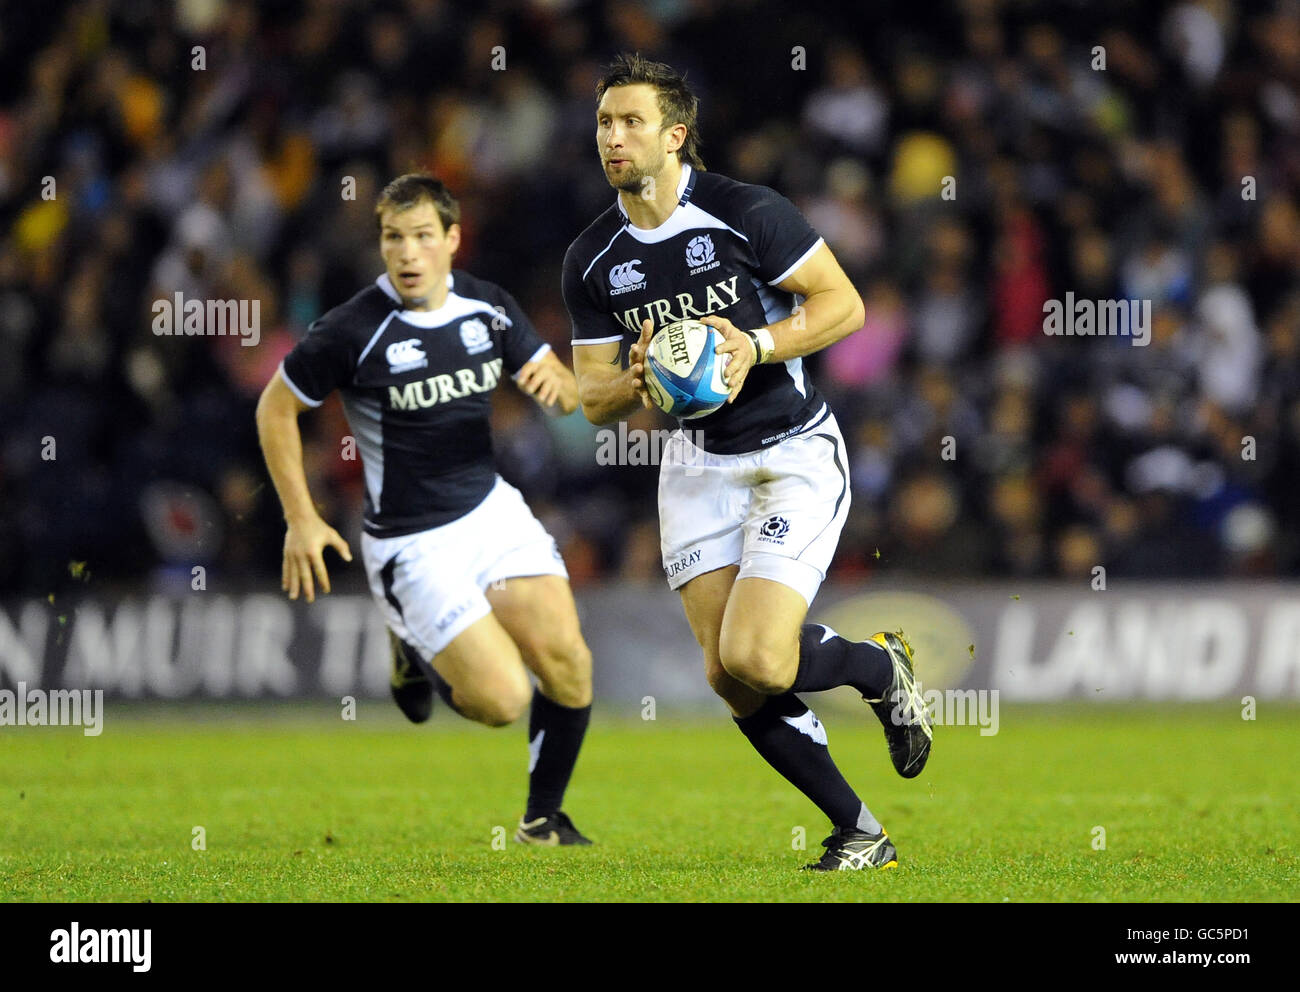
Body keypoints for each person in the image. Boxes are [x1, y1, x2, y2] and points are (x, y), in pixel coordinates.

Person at [564, 54, 932, 870]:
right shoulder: (592, 258)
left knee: (759, 656)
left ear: (676, 135)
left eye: (631, 122)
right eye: (603, 122)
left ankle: (877, 665)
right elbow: (592, 397)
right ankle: (861, 833)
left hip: (793, 451)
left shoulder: (746, 213)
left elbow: (844, 304)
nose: (613, 138)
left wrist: (755, 345)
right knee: (730, 678)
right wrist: (636, 380)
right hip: (697, 466)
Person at [256, 173, 595, 846]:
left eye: (420, 238)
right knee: (503, 701)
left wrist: (567, 385)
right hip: (413, 542)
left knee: (570, 664)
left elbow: (561, 395)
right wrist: (301, 516)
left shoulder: (488, 308)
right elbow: (276, 408)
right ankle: (413, 645)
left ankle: (542, 821)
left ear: (451, 241)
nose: (407, 254)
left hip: (491, 512)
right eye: (392, 239)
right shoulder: (351, 329)